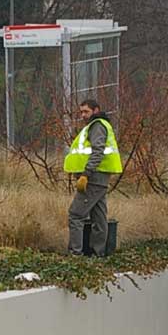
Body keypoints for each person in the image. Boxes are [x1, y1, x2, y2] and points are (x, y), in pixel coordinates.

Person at [63, 98, 123, 256]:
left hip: (93, 178)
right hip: (99, 178)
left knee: (75, 215)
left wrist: (85, 175)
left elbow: (98, 151)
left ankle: (75, 254)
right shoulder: (99, 125)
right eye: (81, 112)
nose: (83, 115)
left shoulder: (97, 126)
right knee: (99, 217)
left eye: (86, 111)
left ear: (96, 110)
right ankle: (98, 253)